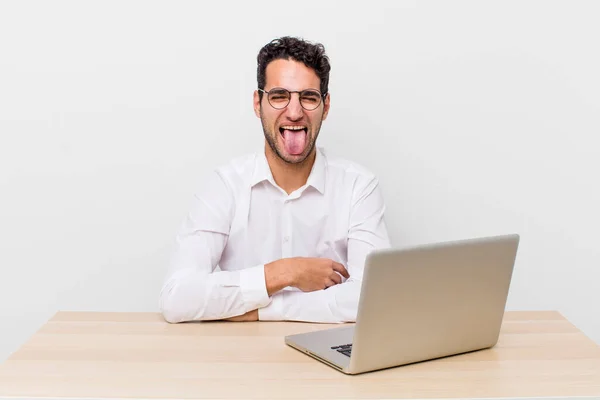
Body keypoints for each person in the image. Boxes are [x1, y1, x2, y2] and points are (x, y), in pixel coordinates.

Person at [159, 36, 390, 323]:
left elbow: (375, 299)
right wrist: (284, 272)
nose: (294, 112)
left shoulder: (358, 187)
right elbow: (178, 297)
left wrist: (263, 309)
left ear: (325, 106)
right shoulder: (225, 185)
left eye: (308, 97)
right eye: (279, 96)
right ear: (258, 103)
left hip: (331, 360)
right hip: (242, 358)